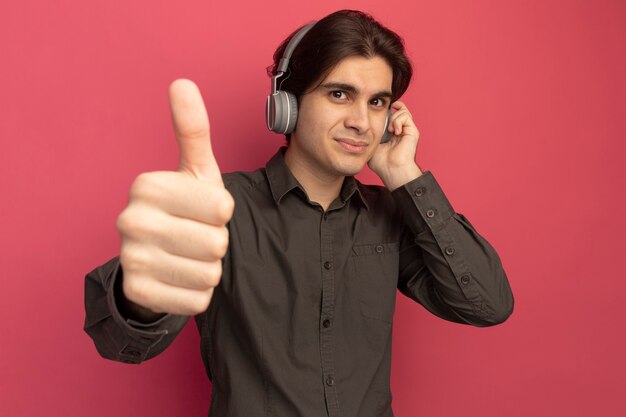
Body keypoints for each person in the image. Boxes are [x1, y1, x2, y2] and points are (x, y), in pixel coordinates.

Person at [84, 9, 514, 417]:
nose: (362, 123)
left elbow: (487, 306)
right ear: (286, 104)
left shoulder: (391, 214)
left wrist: (404, 173)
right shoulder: (219, 205)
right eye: (340, 94)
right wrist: (142, 298)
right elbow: (118, 338)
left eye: (378, 102)